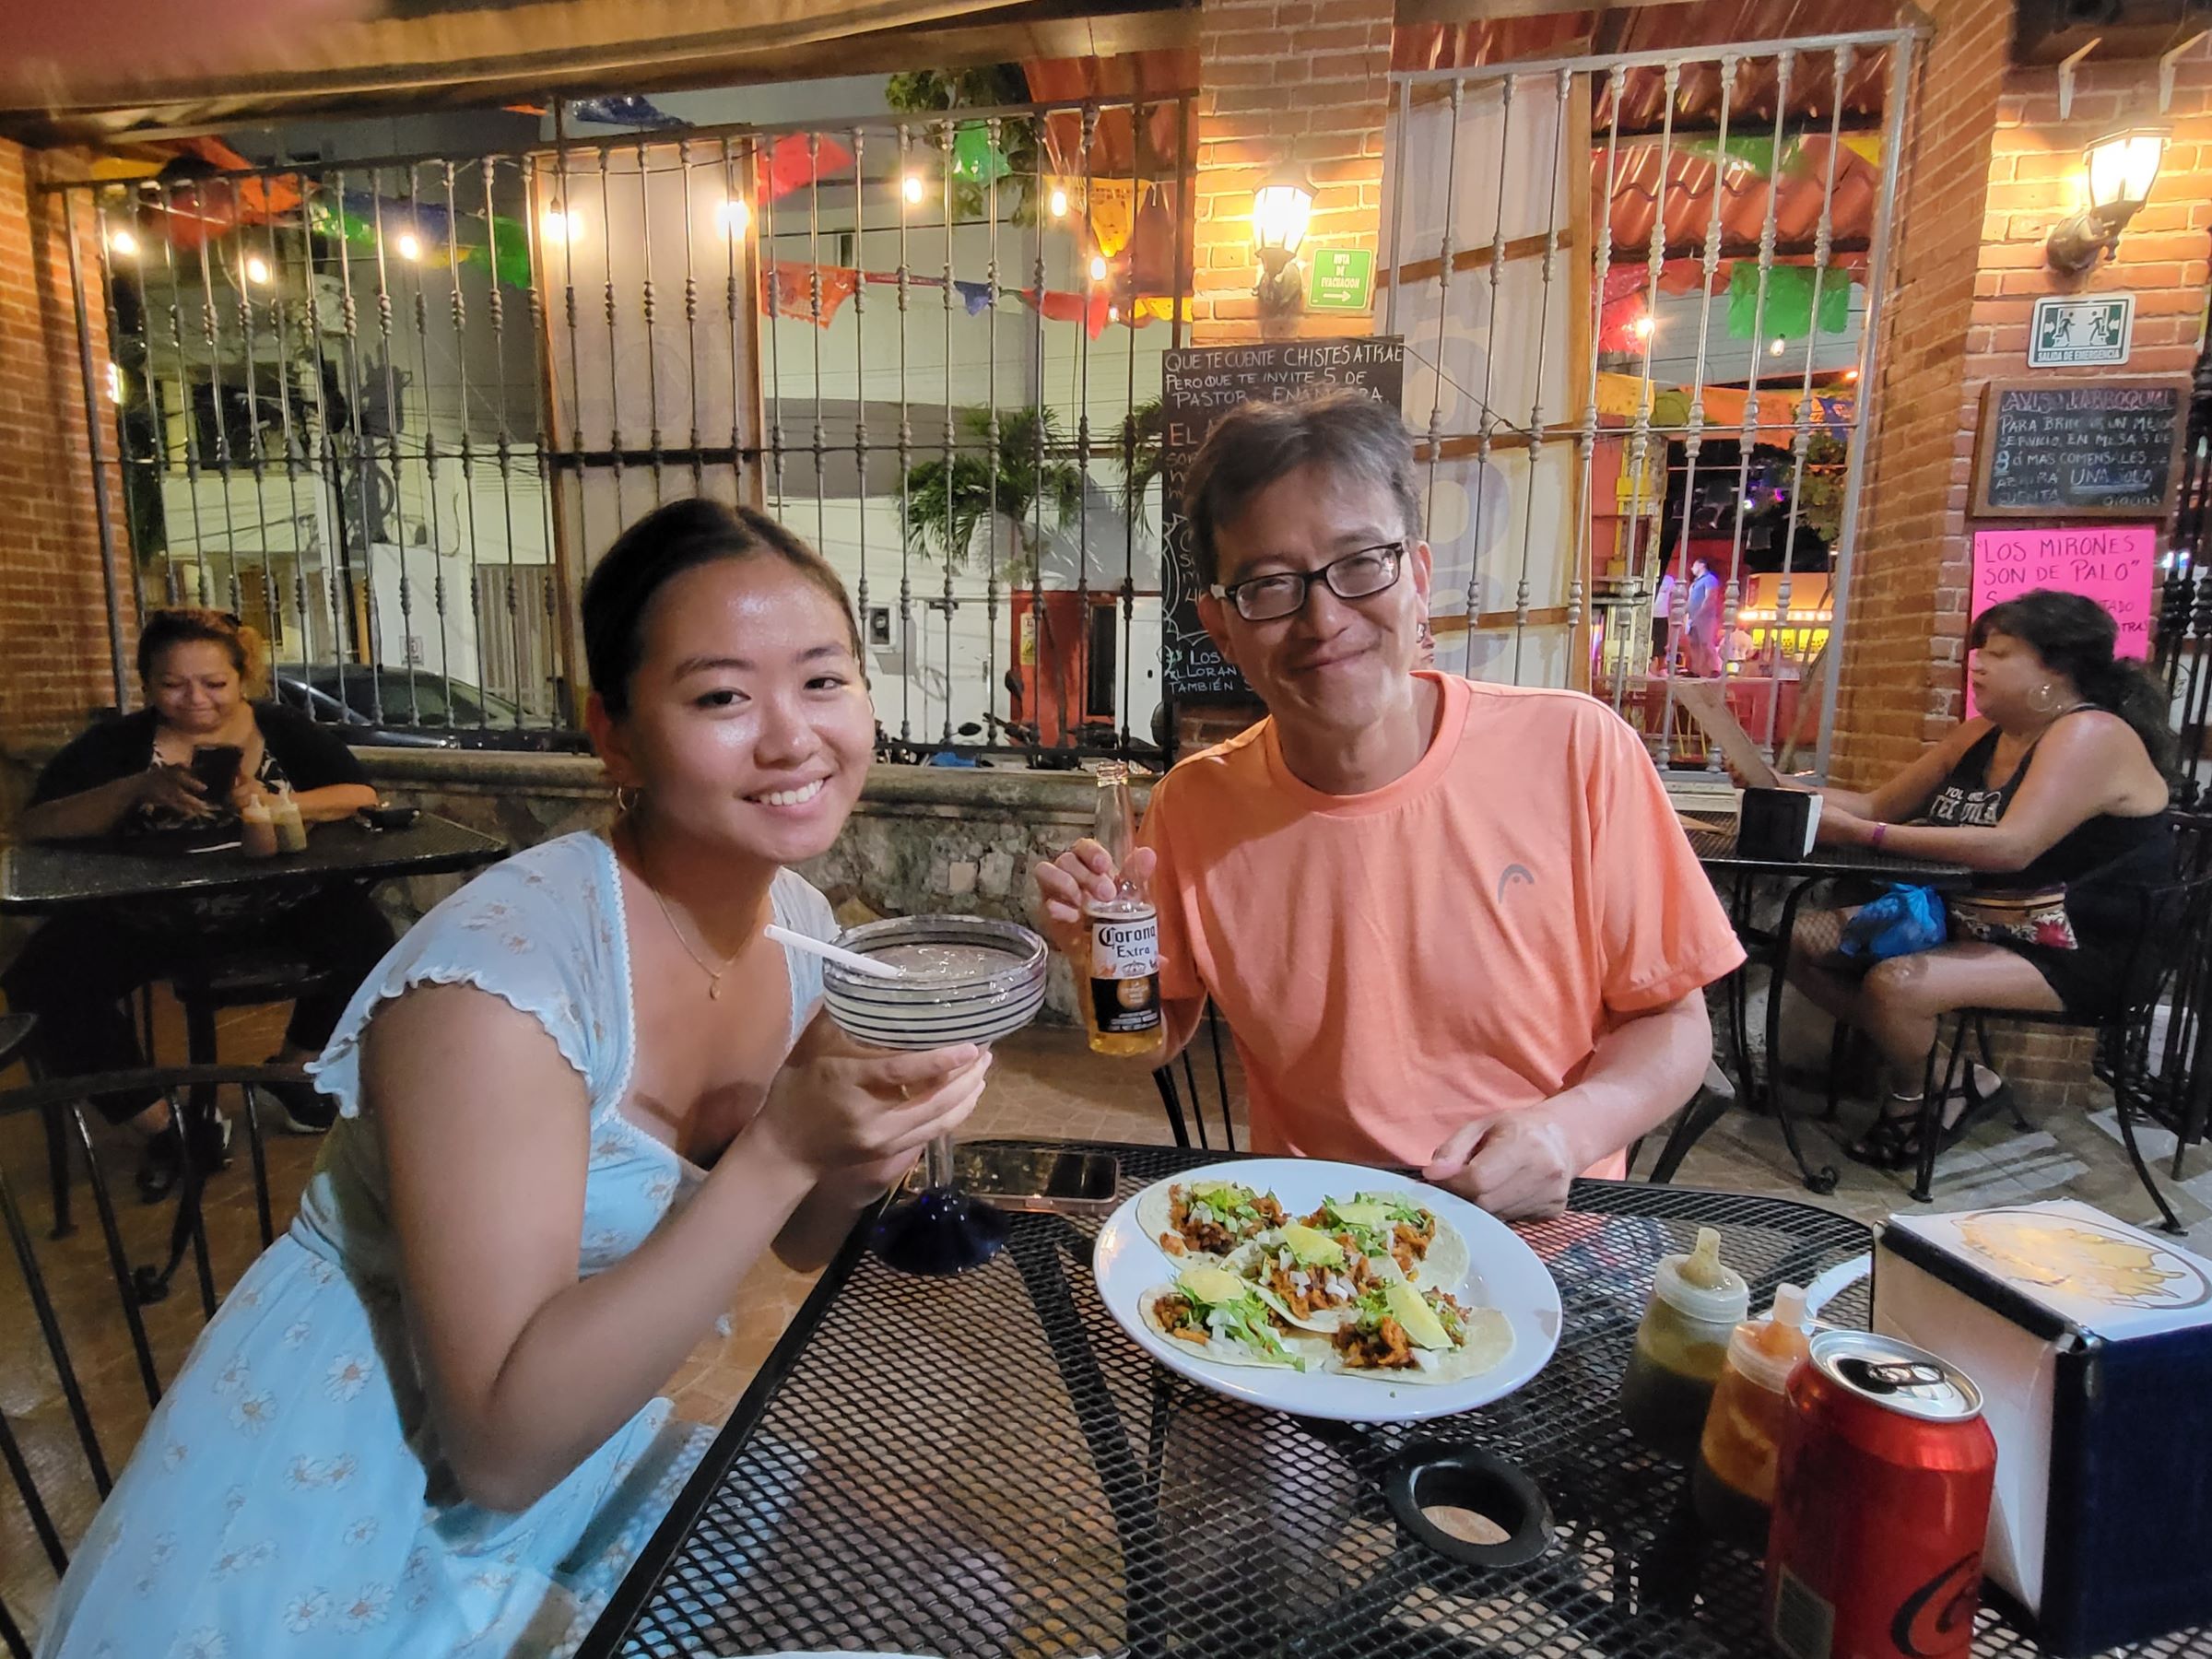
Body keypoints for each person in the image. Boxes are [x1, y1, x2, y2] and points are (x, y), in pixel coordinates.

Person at [34, 500, 991, 1656]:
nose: (794, 740)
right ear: (615, 736)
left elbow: (796, 1242)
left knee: (960, 1590)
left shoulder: (796, 925)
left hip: (584, 1436)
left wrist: (863, 1146)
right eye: (722, 697)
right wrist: (785, 1148)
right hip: (348, 1496)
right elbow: (498, 1449)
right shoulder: (499, 988)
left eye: (825, 681)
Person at [1033, 392, 1745, 1220]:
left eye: (1361, 562)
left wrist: (1565, 1131)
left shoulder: (1577, 751)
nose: (1323, 619)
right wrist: (1096, 969)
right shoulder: (1195, 805)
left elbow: (1674, 1024)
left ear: (1420, 579)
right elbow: (1153, 1039)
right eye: (1270, 584)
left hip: (1541, 1237)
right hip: (1311, 1243)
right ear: (1221, 628)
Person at [4, 608, 388, 1199]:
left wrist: (274, 803)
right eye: (172, 684)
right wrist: (135, 788)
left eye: (214, 683)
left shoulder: (281, 729)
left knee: (370, 942)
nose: (195, 700)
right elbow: (36, 823)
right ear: (147, 684)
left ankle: (294, 1070)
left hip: (277, 904)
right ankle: (168, 1125)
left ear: (242, 678)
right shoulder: (118, 745)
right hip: (148, 914)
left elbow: (361, 794)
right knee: (43, 977)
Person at [1792, 589, 2174, 1169]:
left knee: (1896, 986)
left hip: (2077, 947)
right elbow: (1875, 805)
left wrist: (1864, 835)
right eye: (1981, 652)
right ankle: (1953, 1078)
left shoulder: (2092, 734)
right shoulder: (1981, 734)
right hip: (1982, 919)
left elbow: (2011, 847)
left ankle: (1914, 1098)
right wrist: (1777, 788)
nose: (1978, 665)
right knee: (1796, 942)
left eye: (2000, 653)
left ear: (2055, 671)